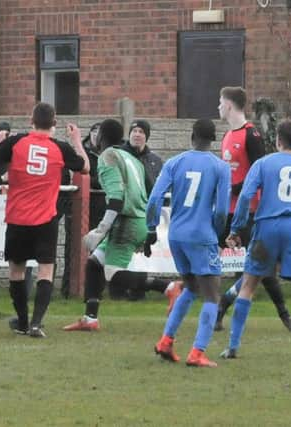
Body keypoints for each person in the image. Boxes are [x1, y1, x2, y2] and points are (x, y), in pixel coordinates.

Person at [219, 120, 291, 362]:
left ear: (278, 141)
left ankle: (233, 347)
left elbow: (246, 196)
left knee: (249, 284)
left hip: (267, 227)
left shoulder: (263, 164)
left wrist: (237, 227)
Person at [0, 102, 89, 338]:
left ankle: (22, 321)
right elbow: (85, 168)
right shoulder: (60, 147)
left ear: (31, 120)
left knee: (16, 271)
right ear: (54, 123)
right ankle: (36, 323)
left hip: (17, 217)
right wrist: (76, 141)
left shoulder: (16, 142)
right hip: (45, 218)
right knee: (45, 270)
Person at [215, 86, 291, 333]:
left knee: (262, 265)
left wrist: (233, 189)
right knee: (224, 261)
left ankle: (282, 315)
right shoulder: (227, 136)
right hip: (227, 212)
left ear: (229, 105)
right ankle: (216, 309)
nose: (218, 107)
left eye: (220, 102)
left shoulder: (251, 135)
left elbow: (258, 173)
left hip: (250, 212)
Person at [152, 119, 231, 368]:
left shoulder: (174, 162)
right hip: (201, 235)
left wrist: (149, 229)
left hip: (176, 234)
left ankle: (166, 340)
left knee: (190, 286)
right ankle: (197, 352)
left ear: (192, 136)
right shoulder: (220, 167)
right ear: (214, 139)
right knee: (212, 295)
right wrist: (217, 234)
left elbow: (155, 198)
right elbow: (221, 210)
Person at [62, 119, 148, 332]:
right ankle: (90, 318)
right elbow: (148, 193)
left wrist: (100, 230)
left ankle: (169, 287)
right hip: (136, 220)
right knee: (94, 264)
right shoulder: (132, 158)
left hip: (126, 222)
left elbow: (117, 199)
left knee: (113, 275)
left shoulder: (108, 157)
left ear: (102, 137)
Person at [118, 119, 182, 307]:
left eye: (141, 132)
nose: (137, 134)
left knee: (142, 254)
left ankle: (139, 290)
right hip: (125, 211)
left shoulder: (154, 160)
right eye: (134, 131)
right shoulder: (120, 156)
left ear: (147, 136)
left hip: (146, 214)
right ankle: (120, 290)